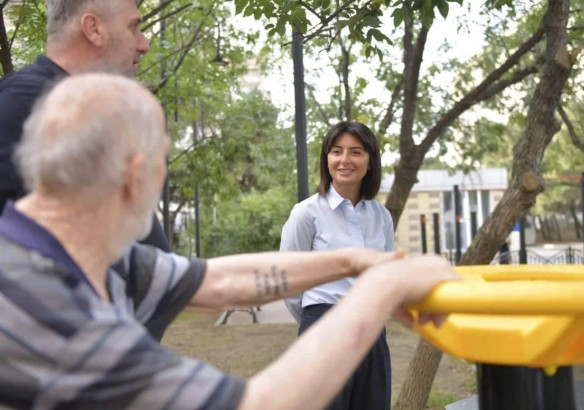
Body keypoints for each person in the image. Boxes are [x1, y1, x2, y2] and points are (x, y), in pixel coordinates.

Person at [0, 73, 457, 409]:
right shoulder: (48, 308)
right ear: (137, 173)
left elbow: (219, 282)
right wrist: (382, 290)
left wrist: (356, 262)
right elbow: (258, 402)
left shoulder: (94, 257)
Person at [0, 0, 169, 251]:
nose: (144, 44)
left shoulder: (73, 107)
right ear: (93, 29)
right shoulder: (26, 106)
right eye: (133, 27)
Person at [280, 121, 396, 410]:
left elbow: (386, 277)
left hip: (372, 333)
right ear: (327, 160)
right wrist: (316, 319)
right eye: (336, 152)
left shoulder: (381, 216)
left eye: (356, 152)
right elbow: (288, 280)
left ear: (370, 162)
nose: (345, 160)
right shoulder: (306, 213)